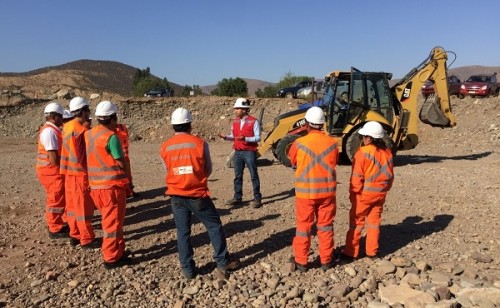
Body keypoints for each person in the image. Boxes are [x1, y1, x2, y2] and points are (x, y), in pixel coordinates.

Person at [161, 107, 239, 280]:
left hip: (176, 196)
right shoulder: (200, 143)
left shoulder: (165, 146)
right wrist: (195, 177)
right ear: (190, 124)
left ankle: (188, 270)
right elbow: (208, 169)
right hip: (197, 194)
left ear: (173, 125)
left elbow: (167, 169)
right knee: (214, 226)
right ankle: (222, 261)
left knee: (183, 232)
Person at [287, 106, 339, 272]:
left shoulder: (298, 143)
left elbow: (292, 161)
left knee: (304, 228)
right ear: (323, 124)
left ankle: (301, 261)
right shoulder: (333, 143)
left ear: (307, 124)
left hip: (305, 194)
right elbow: (334, 161)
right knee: (325, 226)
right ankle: (326, 260)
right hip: (327, 193)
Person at [85, 101, 131, 269]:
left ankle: (118, 250)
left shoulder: (89, 134)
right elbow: (120, 161)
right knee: (113, 223)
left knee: (111, 220)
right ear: (112, 118)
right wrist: (128, 175)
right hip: (111, 187)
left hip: (96, 186)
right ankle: (111, 257)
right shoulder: (111, 137)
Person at [340, 121, 394, 261]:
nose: (362, 139)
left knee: (356, 224)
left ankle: (350, 253)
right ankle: (372, 252)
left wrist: (354, 194)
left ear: (369, 138)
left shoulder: (363, 153)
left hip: (364, 195)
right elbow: (390, 176)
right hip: (380, 194)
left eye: (363, 136)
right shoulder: (387, 153)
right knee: (374, 224)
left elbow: (357, 178)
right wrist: (384, 190)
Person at [60, 97, 99, 248]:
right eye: (87, 110)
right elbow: (83, 157)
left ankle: (75, 234)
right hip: (80, 174)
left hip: (68, 173)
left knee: (72, 207)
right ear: (83, 111)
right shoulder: (81, 130)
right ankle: (87, 238)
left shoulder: (68, 126)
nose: (89, 113)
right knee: (83, 208)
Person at [217, 98, 262, 208]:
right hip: (237, 152)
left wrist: (246, 138)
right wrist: (225, 137)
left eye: (237, 108)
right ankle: (237, 197)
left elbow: (258, 138)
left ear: (244, 110)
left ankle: (257, 198)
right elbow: (234, 137)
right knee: (237, 176)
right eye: (236, 108)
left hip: (249, 152)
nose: (235, 110)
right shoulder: (235, 121)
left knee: (253, 175)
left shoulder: (254, 121)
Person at [36, 102, 69, 239]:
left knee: (57, 198)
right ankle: (54, 228)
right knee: (55, 199)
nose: (63, 119)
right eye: (61, 116)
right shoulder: (50, 132)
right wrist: (67, 168)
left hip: (49, 170)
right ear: (54, 116)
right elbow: (54, 157)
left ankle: (57, 223)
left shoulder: (50, 130)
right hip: (51, 171)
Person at [115, 123, 137, 198]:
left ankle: (129, 190)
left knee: (128, 174)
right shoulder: (110, 130)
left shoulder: (123, 127)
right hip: (117, 156)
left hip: (125, 155)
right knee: (121, 176)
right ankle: (125, 192)